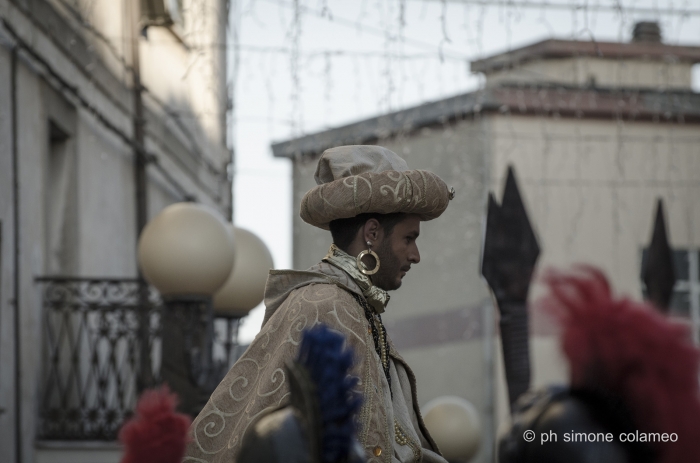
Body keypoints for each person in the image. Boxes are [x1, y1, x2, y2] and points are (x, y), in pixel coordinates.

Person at [184, 145, 454, 463]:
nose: (415, 255)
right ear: (372, 233)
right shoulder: (325, 304)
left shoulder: (352, 305)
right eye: (409, 238)